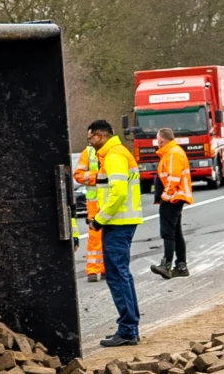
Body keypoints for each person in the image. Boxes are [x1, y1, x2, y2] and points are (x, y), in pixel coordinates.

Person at [78, 118, 143, 346]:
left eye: (90, 138)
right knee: (121, 274)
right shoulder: (116, 153)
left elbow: (117, 194)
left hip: (118, 222)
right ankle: (130, 327)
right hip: (122, 221)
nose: (90, 143)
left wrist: (99, 219)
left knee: (117, 275)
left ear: (99, 135)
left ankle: (127, 330)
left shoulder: (114, 155)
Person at [152, 131, 192, 276]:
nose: (157, 143)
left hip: (173, 198)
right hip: (175, 197)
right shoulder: (172, 152)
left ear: (162, 140)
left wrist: (166, 196)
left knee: (167, 232)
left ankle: (167, 264)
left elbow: (173, 178)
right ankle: (181, 265)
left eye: (158, 140)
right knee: (175, 232)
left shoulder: (173, 153)